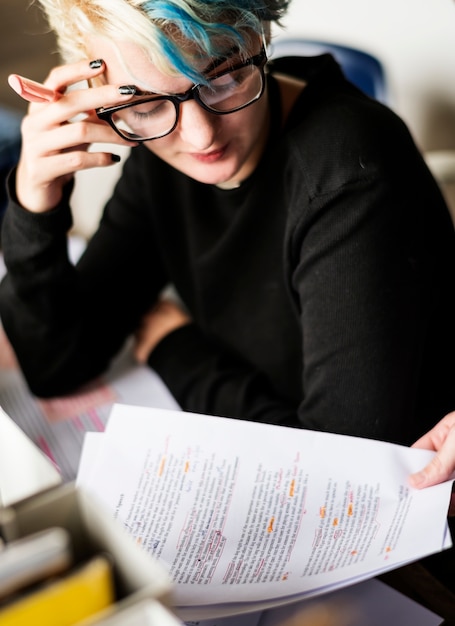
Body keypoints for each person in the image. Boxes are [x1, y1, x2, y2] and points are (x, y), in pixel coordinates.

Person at [1, 0, 455, 617]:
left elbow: (340, 478)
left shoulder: (351, 170)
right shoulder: (162, 156)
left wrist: (174, 349)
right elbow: (59, 363)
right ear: (97, 92)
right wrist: (35, 202)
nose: (200, 136)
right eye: (142, 102)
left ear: (259, 34)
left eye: (222, 77)